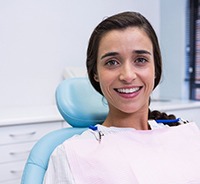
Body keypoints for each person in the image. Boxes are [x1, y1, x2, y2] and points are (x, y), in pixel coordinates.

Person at [44, 11, 200, 183]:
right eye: (112, 62)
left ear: (155, 68)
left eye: (140, 60)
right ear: (95, 73)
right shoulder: (72, 155)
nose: (127, 75)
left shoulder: (186, 134)